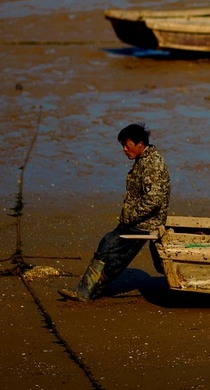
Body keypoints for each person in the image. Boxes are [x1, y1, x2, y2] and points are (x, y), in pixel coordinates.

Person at [58, 123, 171, 301]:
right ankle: (87, 290)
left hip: (144, 224)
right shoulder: (143, 161)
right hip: (136, 221)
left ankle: (87, 291)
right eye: (122, 146)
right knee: (108, 246)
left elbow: (153, 201)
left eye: (127, 145)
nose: (124, 150)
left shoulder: (153, 164)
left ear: (140, 143)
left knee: (112, 252)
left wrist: (130, 217)